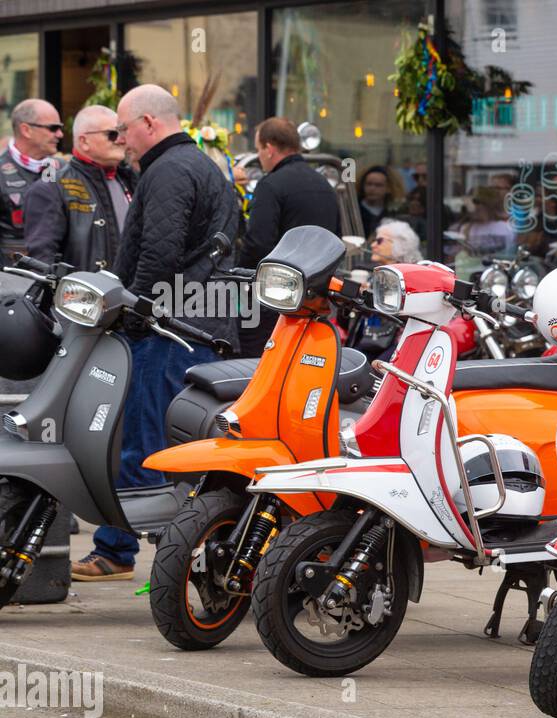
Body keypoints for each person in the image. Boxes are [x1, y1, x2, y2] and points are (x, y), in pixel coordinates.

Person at [71, 84, 240, 582]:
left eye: (124, 129)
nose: (122, 140)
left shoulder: (167, 170)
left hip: (168, 329)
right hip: (201, 325)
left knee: (142, 441)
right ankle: (190, 554)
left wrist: (130, 309)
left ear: (148, 123)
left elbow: (158, 255)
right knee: (191, 449)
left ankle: (121, 551)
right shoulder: (203, 166)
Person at [236, 116, 340, 353]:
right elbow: (335, 238)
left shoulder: (271, 185)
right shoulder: (324, 184)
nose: (259, 155)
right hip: (316, 299)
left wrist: (239, 279)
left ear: (269, 149)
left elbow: (258, 243)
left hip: (276, 299)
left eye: (258, 149)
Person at [23, 105, 136, 271]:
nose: (121, 139)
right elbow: (42, 263)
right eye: (112, 134)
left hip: (129, 293)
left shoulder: (132, 180)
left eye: (122, 132)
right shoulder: (51, 188)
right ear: (84, 141)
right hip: (82, 295)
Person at [0, 99, 63, 259]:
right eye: (53, 128)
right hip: (11, 279)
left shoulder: (64, 170)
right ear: (26, 130)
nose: (60, 135)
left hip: (58, 277)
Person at [357, 165, 404, 238]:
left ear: (388, 188)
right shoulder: (354, 210)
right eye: (369, 184)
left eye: (378, 185)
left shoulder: (394, 213)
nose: (372, 188)